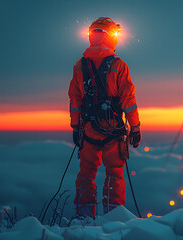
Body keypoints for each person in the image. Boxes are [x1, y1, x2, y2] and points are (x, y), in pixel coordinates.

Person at [68, 17, 141, 218]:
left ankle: (83, 218)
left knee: (86, 173)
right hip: (113, 129)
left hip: (88, 128)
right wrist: (135, 127)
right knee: (115, 173)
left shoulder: (79, 66)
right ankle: (114, 218)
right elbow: (128, 99)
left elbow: (75, 100)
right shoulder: (119, 65)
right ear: (111, 37)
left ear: (92, 35)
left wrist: (76, 127)